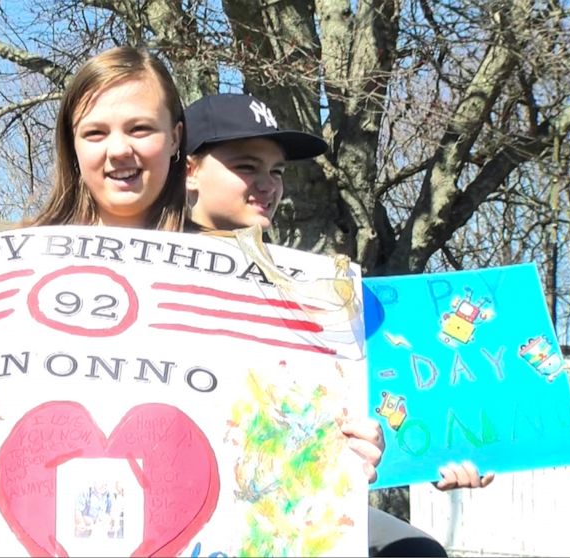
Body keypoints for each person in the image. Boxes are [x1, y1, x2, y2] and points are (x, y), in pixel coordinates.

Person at [0, 44, 384, 520]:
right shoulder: (3, 268)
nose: (119, 150)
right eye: (96, 132)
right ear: (73, 146)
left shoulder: (253, 288)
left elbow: (276, 432)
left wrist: (343, 446)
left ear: (176, 140)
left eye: (140, 129)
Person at [183, 92, 496, 556]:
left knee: (415, 551)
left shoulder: (317, 287)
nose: (267, 185)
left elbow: (379, 395)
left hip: (290, 495)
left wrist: (436, 453)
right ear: (189, 167)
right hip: (187, 491)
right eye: (246, 167)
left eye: (278, 172)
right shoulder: (143, 260)